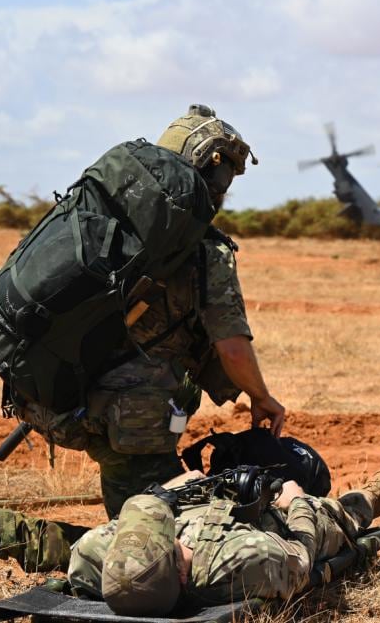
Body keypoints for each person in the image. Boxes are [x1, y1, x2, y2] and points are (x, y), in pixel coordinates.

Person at [75, 104, 287, 517]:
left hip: (72, 394)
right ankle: (1, 533)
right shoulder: (202, 248)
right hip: (133, 412)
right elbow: (232, 347)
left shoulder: (107, 220)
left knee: (136, 534)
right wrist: (262, 397)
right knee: (170, 546)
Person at [0, 461, 380, 616]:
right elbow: (302, 556)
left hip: (193, 502)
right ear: (184, 572)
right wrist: (296, 501)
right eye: (173, 545)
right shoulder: (241, 561)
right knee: (332, 520)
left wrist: (186, 488)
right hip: (259, 524)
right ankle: (366, 499)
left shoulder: (96, 554)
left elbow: (148, 512)